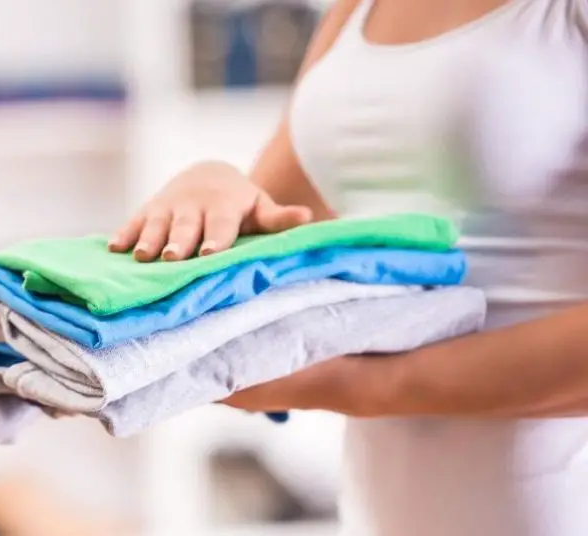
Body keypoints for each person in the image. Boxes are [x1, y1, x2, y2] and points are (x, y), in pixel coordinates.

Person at [111, 1, 588, 535]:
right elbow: (279, 241)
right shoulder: (359, 9)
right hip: (380, 509)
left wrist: (361, 386)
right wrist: (213, 183)